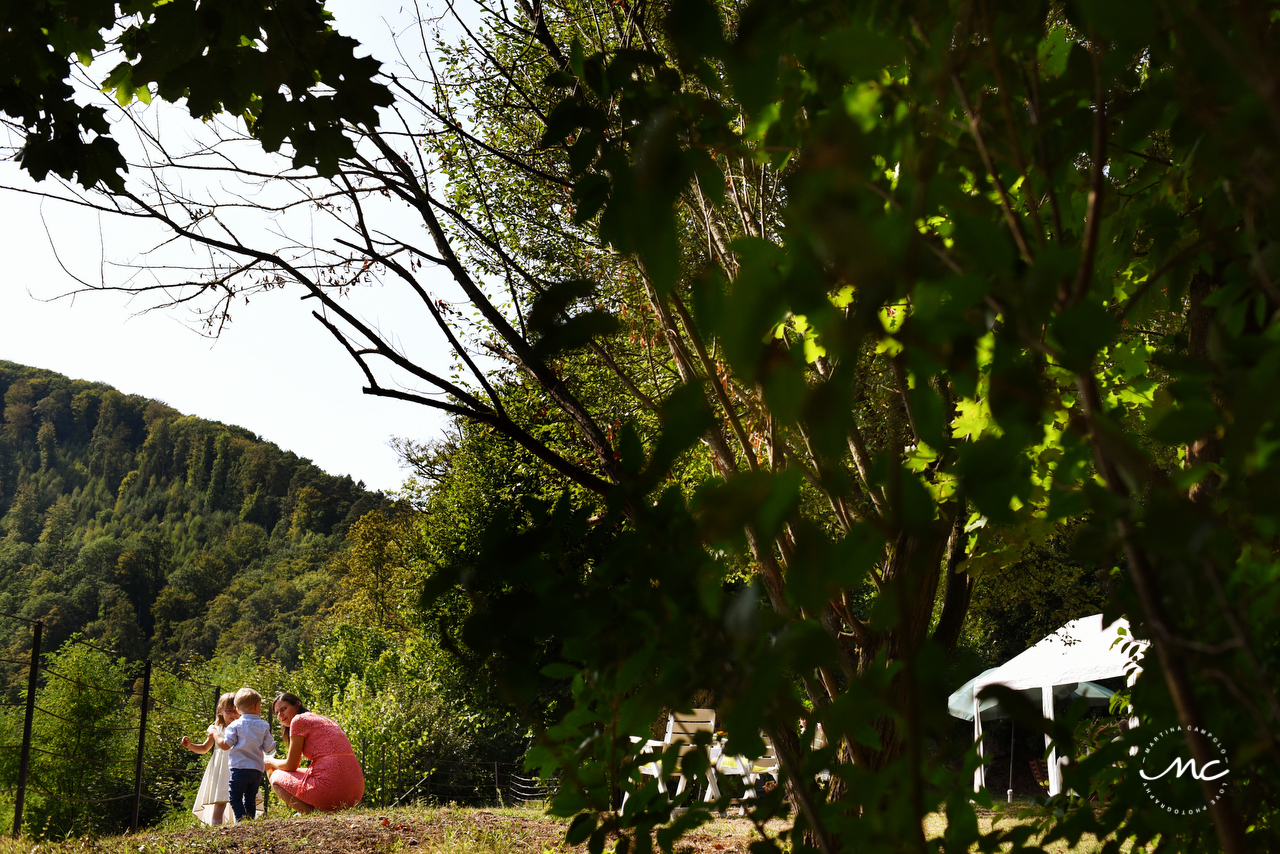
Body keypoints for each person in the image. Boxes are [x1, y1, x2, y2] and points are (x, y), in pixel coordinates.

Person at [265, 692, 364, 813]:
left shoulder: (298, 720)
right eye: (277, 713)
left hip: (334, 791)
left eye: (284, 709)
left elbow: (291, 765)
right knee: (288, 771)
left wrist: (270, 761)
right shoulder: (323, 719)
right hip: (355, 792)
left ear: (297, 705)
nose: (280, 715)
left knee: (276, 775)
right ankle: (323, 811)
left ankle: (314, 815)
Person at [210, 687, 276, 821]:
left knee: (235, 797)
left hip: (239, 768)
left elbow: (225, 745)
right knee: (250, 798)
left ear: (238, 709)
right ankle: (250, 822)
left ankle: (241, 821)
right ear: (257, 705)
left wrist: (215, 733)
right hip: (256, 770)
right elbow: (269, 748)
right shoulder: (264, 725)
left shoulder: (234, 726)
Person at [180, 692, 238, 825]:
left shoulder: (242, 727)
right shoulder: (216, 729)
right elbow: (204, 748)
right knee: (220, 803)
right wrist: (190, 745)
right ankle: (216, 829)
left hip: (238, 765)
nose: (233, 714)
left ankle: (240, 828)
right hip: (222, 770)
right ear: (220, 711)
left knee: (240, 801)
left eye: (236, 710)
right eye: (229, 710)